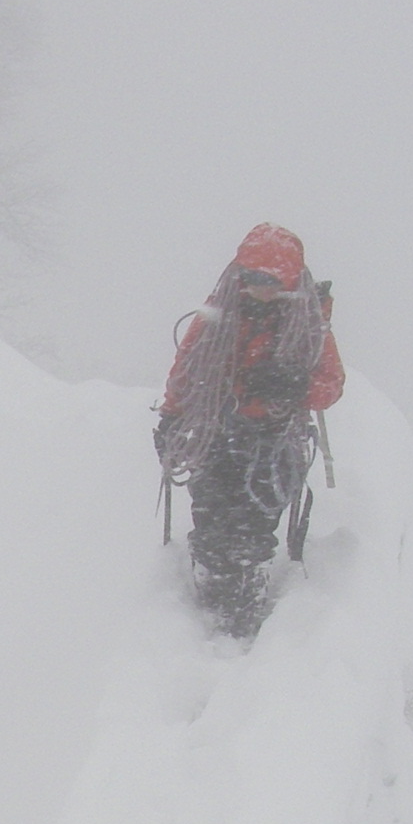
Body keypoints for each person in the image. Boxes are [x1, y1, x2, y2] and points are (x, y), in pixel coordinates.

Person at [152, 225, 345, 638]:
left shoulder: (308, 323)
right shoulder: (218, 315)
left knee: (255, 520)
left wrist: (293, 386)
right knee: (211, 512)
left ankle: (244, 589)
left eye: (271, 281)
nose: (260, 290)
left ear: (289, 280)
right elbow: (186, 371)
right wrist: (171, 417)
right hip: (219, 431)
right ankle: (214, 581)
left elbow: (330, 385)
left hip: (273, 440)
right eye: (253, 279)